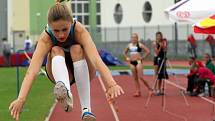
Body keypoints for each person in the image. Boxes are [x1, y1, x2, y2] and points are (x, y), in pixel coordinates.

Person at [9, 1, 124, 121]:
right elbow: (32, 71)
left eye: (65, 29)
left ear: (71, 22)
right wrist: (21, 99)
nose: (61, 35)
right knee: (55, 49)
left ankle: (86, 110)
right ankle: (65, 92)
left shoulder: (79, 30)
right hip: (59, 74)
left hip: (83, 69)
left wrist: (111, 84)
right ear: (49, 26)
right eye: (56, 31)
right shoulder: (46, 37)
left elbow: (95, 58)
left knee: (77, 48)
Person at [124, 33, 152, 97]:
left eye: (135, 37)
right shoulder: (129, 45)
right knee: (135, 78)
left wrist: (143, 57)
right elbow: (124, 53)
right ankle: (138, 91)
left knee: (141, 77)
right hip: (132, 62)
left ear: (137, 38)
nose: (134, 39)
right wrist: (127, 58)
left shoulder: (139, 45)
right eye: (132, 37)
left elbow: (148, 51)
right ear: (131, 39)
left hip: (138, 62)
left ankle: (150, 88)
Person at [154, 32, 168, 96]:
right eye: (157, 36)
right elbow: (157, 53)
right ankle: (156, 89)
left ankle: (161, 89)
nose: (159, 37)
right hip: (157, 59)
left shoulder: (163, 41)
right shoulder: (155, 43)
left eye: (160, 36)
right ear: (156, 37)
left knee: (162, 74)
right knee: (157, 74)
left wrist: (164, 45)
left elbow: (165, 49)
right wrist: (160, 46)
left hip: (163, 58)